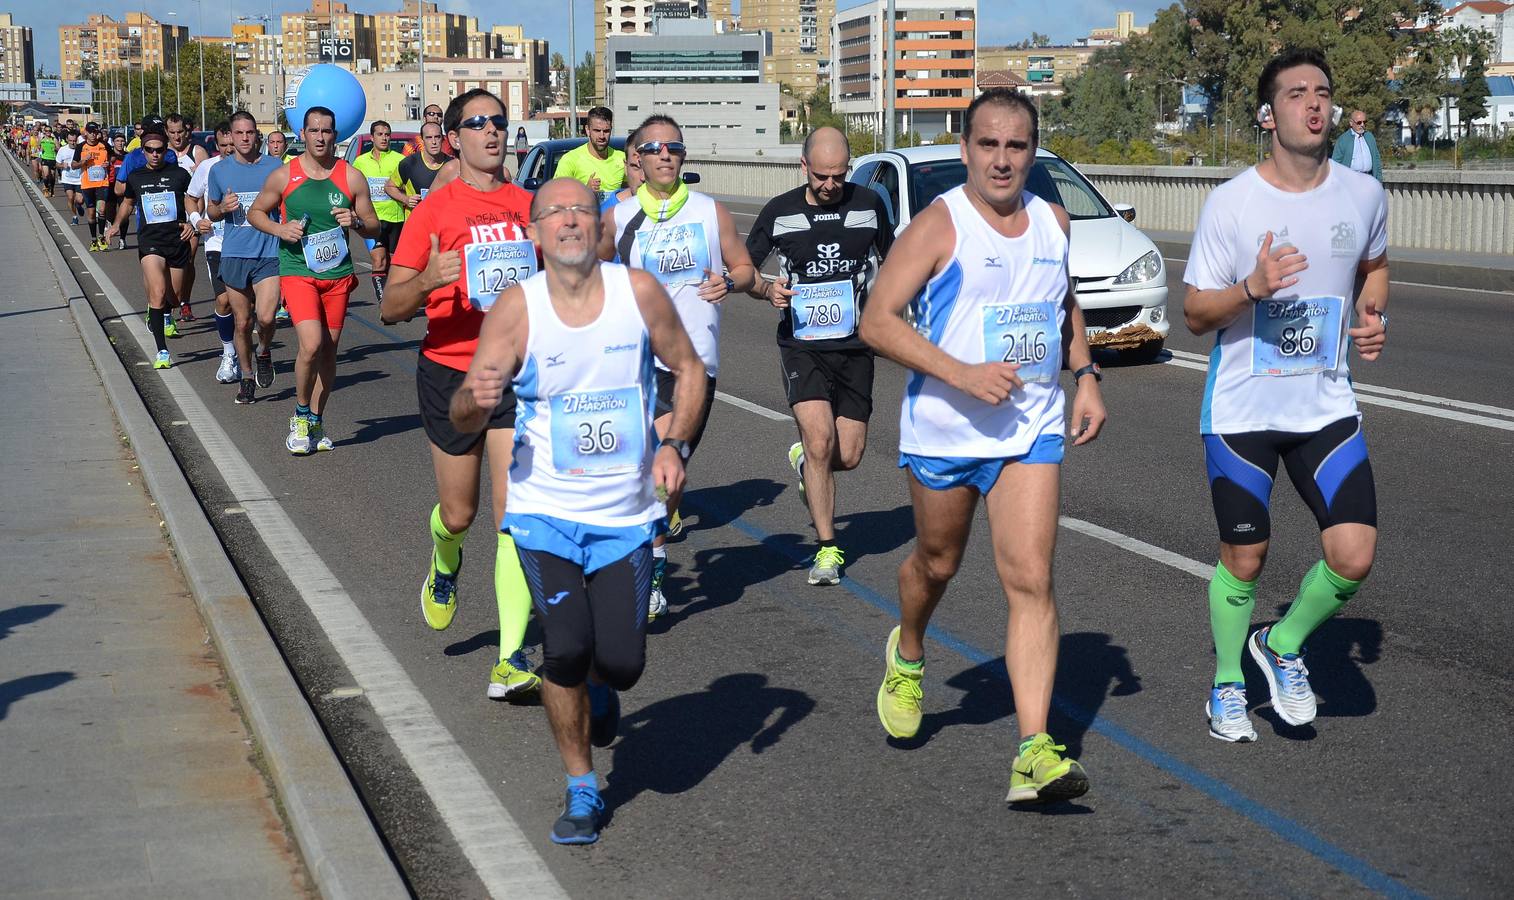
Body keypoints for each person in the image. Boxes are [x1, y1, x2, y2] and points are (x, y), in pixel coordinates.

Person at [859, 88, 1107, 804]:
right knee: (937, 563)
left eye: (1017, 146)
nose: (1002, 159)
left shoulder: (1054, 221)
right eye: (989, 144)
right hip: (946, 429)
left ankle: (1034, 751)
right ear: (966, 149)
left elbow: (1062, 303)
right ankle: (909, 651)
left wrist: (1086, 375)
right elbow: (877, 320)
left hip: (1030, 427)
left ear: (1034, 153)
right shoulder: (939, 225)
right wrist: (962, 373)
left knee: (1031, 578)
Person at [452, 176, 707, 846]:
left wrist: (674, 443)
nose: (569, 221)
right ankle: (582, 787)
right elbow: (464, 409)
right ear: (534, 232)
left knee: (621, 664)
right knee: (564, 649)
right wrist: (476, 399)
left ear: (600, 226)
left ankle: (601, 685)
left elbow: (690, 369)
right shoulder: (518, 308)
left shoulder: (637, 292)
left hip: (625, 516)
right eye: (555, 212)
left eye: (581, 211)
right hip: (544, 512)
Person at [1184, 49, 1388, 743]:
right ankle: (1227, 685)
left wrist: (1376, 316)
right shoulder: (1233, 203)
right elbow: (1195, 313)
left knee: (1354, 554)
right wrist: (1253, 287)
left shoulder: (1363, 195)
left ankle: (1281, 643)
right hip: (1242, 410)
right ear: (1269, 115)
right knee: (1245, 558)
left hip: (1326, 406)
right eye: (1297, 92)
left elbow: (1375, 266)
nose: (1314, 102)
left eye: (1322, 90)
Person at [382, 89, 544, 699]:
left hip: (515, 375)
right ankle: (445, 559)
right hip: (451, 372)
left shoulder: (528, 206)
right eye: (478, 123)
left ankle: (509, 659)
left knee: (514, 517)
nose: (492, 131)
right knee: (459, 514)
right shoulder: (434, 211)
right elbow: (392, 306)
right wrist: (429, 279)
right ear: (455, 139)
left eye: (499, 121)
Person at [598, 114, 757, 619]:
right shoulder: (619, 219)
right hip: (637, 361)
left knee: (666, 477)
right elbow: (584, 275)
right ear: (638, 160)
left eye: (674, 147)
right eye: (655, 148)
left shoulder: (710, 212)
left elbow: (745, 268)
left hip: (694, 365)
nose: (665, 155)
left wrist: (730, 282)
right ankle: (646, 571)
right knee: (646, 472)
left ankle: (648, 563)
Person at [745, 127, 893, 585]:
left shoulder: (870, 205)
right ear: (804, 165)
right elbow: (745, 269)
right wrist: (767, 289)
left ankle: (806, 462)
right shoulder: (780, 211)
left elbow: (895, 261)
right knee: (820, 441)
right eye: (821, 176)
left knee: (848, 455)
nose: (830, 184)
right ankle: (828, 548)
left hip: (856, 346)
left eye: (839, 175)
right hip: (802, 346)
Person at [247, 105, 380, 454]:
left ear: (336, 135)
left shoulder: (351, 177)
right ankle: (301, 414)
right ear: (303, 134)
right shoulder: (284, 176)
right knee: (311, 344)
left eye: (327, 131)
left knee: (329, 352)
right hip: (298, 272)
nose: (321, 137)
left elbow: (374, 226)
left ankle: (317, 420)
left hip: (337, 276)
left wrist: (356, 221)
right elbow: (255, 212)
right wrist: (280, 229)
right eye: (314, 130)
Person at [210, 111, 287, 404]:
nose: (244, 138)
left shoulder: (275, 166)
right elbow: (211, 210)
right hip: (234, 253)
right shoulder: (220, 170)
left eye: (250, 132)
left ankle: (264, 352)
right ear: (230, 136)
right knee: (242, 322)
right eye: (239, 133)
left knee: (265, 318)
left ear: (257, 135)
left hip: (268, 252)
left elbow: (288, 203)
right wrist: (222, 209)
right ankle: (245, 377)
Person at [104, 124, 194, 371]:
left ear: (166, 150)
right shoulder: (136, 176)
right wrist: (116, 225)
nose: (155, 154)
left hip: (176, 240)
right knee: (158, 292)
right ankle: (162, 351)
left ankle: (163, 310)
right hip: (150, 241)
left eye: (159, 150)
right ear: (143, 151)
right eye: (150, 150)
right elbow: (127, 202)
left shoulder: (180, 174)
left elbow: (193, 199)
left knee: (174, 298)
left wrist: (193, 222)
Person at [186, 122, 237, 382]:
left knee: (251, 307)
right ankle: (229, 352)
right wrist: (197, 220)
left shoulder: (255, 168)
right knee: (224, 300)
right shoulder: (207, 167)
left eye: (233, 144)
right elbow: (190, 197)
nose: (229, 149)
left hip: (248, 244)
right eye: (224, 145)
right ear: (217, 145)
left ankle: (254, 351)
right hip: (217, 242)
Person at [353, 120, 407, 303]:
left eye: (387, 134)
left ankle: (395, 299)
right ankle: (384, 304)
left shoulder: (399, 160)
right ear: (372, 137)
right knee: (379, 261)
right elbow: (353, 188)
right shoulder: (360, 162)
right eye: (380, 134)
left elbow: (407, 187)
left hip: (396, 218)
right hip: (372, 220)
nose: (384, 138)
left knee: (394, 265)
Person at [167, 113, 209, 322]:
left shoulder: (197, 152)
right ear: (167, 132)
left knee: (188, 260)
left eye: (180, 132)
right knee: (168, 262)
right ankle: (167, 303)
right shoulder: (162, 153)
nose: (177, 136)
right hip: (168, 217)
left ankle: (184, 302)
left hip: (191, 216)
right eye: (172, 132)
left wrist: (195, 219)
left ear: (187, 131)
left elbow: (205, 188)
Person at [556, 107, 625, 200]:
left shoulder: (622, 159)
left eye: (606, 131)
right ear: (588, 130)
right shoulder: (570, 160)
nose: (601, 136)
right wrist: (586, 192)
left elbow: (635, 191)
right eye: (597, 130)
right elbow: (557, 197)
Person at [386, 120, 448, 211]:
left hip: (443, 218)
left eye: (437, 137)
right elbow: (389, 187)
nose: (434, 142)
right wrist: (406, 199)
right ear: (422, 140)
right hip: (416, 218)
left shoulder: (453, 164)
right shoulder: (409, 163)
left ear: (442, 139)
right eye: (429, 137)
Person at [78, 124, 112, 251]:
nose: (93, 134)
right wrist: (84, 161)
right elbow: (74, 165)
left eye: (95, 132)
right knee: (91, 213)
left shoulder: (104, 145)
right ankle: (93, 240)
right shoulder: (81, 147)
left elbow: (112, 157)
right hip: (87, 184)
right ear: (86, 133)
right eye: (91, 132)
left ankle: (101, 237)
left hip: (102, 183)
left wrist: (108, 163)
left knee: (102, 210)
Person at [1330, 109, 1382, 183]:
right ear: (1351, 123)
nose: (1362, 125)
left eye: (1364, 122)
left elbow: (1377, 159)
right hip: (1350, 181)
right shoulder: (1343, 140)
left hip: (1369, 180)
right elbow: (1335, 163)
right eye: (1359, 122)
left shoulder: (1369, 137)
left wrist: (1379, 180)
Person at [56, 131, 83, 224]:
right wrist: (62, 165)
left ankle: (78, 205)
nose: (72, 143)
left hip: (79, 179)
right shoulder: (62, 150)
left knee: (80, 200)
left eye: (74, 141)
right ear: (67, 140)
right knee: (70, 197)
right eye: (70, 141)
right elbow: (57, 164)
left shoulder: (81, 149)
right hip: (67, 179)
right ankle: (74, 217)